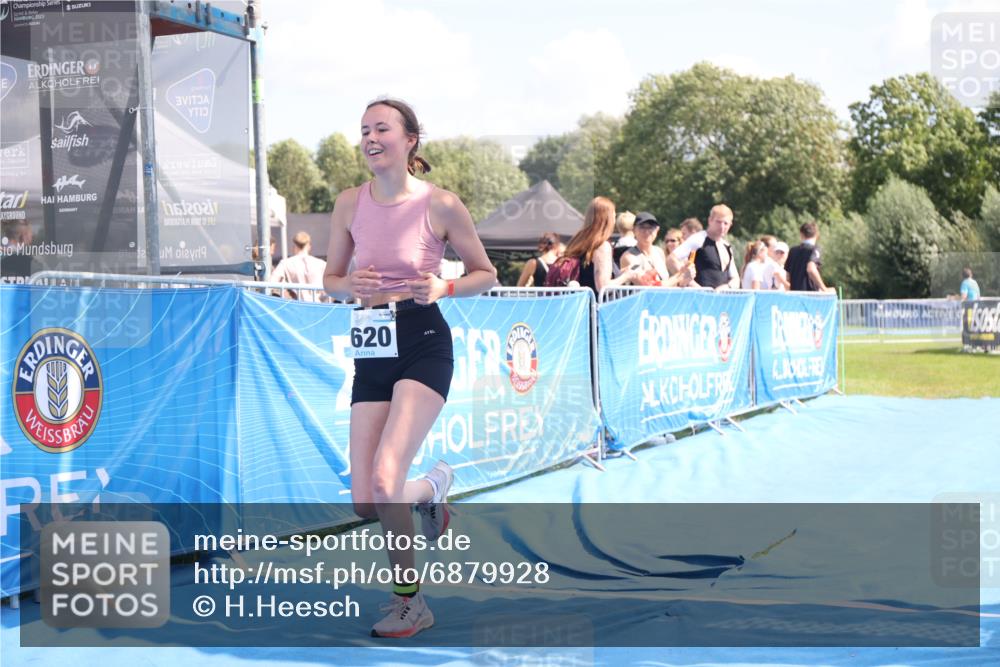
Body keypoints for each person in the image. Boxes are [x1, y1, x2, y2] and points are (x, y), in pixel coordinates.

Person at [323, 97, 497, 638]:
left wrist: (446, 285)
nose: (370, 138)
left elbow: (485, 273)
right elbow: (331, 280)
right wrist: (348, 285)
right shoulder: (348, 203)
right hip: (372, 344)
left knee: (384, 477)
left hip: (423, 340)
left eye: (382, 128)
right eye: (364, 130)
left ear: (410, 140)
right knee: (366, 501)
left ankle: (410, 602)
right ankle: (431, 487)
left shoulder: (440, 203)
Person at [547, 196, 641, 295]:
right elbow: (603, 287)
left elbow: (587, 274)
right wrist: (626, 276)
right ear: (607, 219)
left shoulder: (579, 240)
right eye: (613, 216)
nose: (614, 221)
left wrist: (619, 274)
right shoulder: (602, 246)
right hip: (595, 303)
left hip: (579, 301)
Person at [668, 204, 740, 290]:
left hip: (721, 297)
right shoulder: (699, 239)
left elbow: (735, 279)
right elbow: (671, 260)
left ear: (730, 225)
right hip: (697, 296)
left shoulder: (727, 247)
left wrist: (727, 287)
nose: (722, 226)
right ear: (710, 220)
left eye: (726, 223)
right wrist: (692, 283)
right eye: (718, 222)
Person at [619, 212, 695, 287]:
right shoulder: (628, 257)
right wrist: (679, 276)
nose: (647, 231)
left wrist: (684, 280)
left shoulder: (659, 252)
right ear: (634, 230)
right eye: (642, 227)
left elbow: (668, 283)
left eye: (651, 227)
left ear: (657, 230)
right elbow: (651, 287)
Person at [272, 231, 329, 302]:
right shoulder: (321, 264)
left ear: (294, 246)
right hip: (317, 304)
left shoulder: (285, 263)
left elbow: (272, 282)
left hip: (297, 305)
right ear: (308, 246)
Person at [785, 221, 835, 293]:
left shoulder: (793, 250)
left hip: (794, 293)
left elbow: (788, 275)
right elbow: (811, 269)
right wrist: (824, 289)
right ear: (817, 234)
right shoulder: (814, 249)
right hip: (810, 294)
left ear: (801, 234)